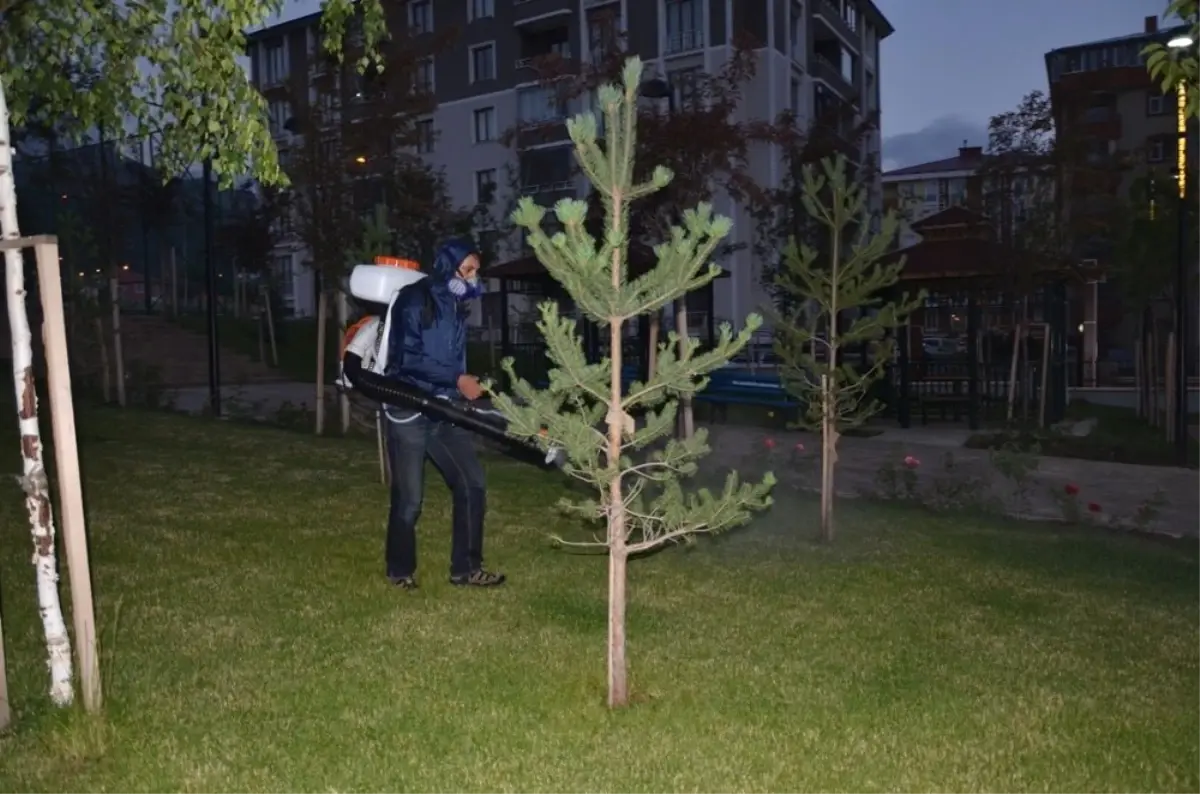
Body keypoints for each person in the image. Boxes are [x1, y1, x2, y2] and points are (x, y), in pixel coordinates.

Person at [380, 238, 505, 590]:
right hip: (409, 408)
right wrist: (456, 378)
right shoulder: (414, 299)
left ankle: (466, 569)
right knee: (410, 499)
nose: (474, 278)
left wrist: (460, 386)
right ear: (447, 267)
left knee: (472, 482)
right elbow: (407, 359)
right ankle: (399, 571)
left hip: (444, 408)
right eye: (468, 270)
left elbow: (451, 360)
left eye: (476, 271)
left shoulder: (455, 306)